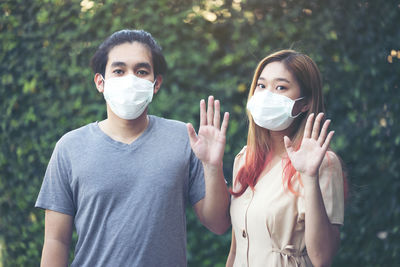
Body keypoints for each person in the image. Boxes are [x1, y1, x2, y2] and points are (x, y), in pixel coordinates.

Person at [35, 29, 231, 267]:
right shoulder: (69, 147)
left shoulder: (183, 138)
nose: (130, 79)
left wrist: (213, 166)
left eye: (141, 71)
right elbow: (56, 240)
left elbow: (219, 224)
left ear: (155, 83)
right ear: (100, 82)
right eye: (119, 70)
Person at [226, 50, 346, 267]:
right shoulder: (245, 159)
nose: (267, 95)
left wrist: (309, 178)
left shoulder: (323, 163)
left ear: (305, 103)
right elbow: (236, 249)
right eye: (262, 86)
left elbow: (322, 258)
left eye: (280, 87)